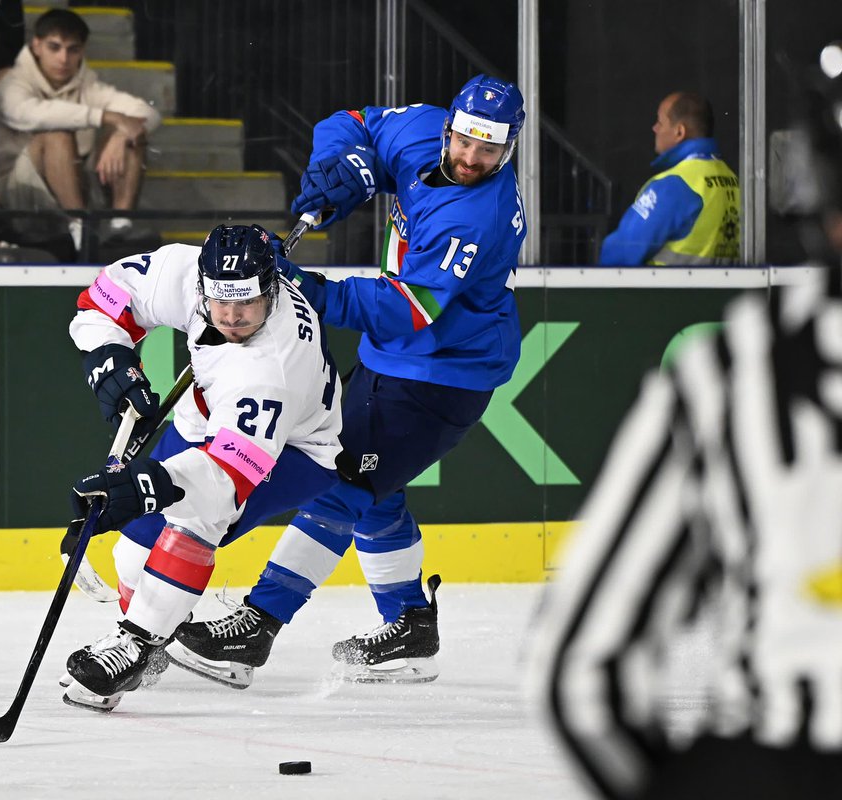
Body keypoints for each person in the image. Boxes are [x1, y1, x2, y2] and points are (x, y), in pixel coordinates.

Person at [526, 43, 842, 800]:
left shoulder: (734, 371)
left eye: (657, 125)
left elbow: (578, 677)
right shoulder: (725, 177)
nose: (651, 134)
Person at [166, 75, 528, 687]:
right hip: (394, 359)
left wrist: (312, 289)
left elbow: (408, 308)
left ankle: (256, 628)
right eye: (465, 141)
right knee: (372, 487)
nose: (471, 159)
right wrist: (343, 166)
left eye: (488, 150)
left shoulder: (477, 216)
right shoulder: (420, 130)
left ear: (508, 149)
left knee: (340, 485)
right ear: (448, 127)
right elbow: (351, 121)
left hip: (444, 374)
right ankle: (410, 624)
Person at [61, 224, 343, 712]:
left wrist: (147, 486)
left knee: (193, 519)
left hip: (294, 449)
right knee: (133, 553)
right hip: (209, 413)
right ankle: (158, 632)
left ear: (272, 289)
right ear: (202, 285)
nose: (231, 317)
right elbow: (104, 298)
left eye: (247, 303)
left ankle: (136, 644)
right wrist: (110, 358)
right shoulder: (185, 269)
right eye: (220, 302)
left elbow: (223, 482)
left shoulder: (272, 369)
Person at [0, 8, 160, 252]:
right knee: (57, 134)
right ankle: (81, 227)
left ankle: (120, 224)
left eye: (73, 49)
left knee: (132, 134)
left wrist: (122, 134)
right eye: (54, 47)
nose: (63, 59)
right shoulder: (14, 82)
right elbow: (27, 113)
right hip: (18, 195)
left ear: (82, 51)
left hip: (76, 183)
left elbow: (148, 112)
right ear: (36, 46)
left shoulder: (89, 85)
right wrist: (104, 116)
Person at [599, 91, 741, 266]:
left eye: (660, 122)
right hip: (730, 284)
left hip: (667, 285)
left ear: (679, 132)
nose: (654, 128)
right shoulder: (733, 179)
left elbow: (621, 253)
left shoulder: (673, 185)